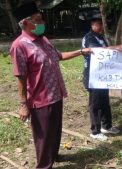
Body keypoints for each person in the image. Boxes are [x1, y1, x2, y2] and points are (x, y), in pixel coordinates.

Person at [10, 1, 91, 168]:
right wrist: (23, 104)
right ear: (25, 23)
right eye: (38, 20)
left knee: (55, 131)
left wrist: (81, 51)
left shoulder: (44, 40)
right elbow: (20, 76)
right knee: (43, 137)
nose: (42, 23)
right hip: (40, 100)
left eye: (42, 19)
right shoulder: (19, 45)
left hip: (56, 94)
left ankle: (54, 156)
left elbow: (59, 56)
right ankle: (44, 165)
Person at [81, 13, 122, 141]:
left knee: (105, 101)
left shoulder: (101, 37)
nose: (101, 26)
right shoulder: (89, 37)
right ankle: (95, 131)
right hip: (92, 76)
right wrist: (116, 47)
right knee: (95, 103)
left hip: (103, 76)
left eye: (102, 23)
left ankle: (106, 126)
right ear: (92, 25)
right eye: (98, 24)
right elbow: (97, 51)